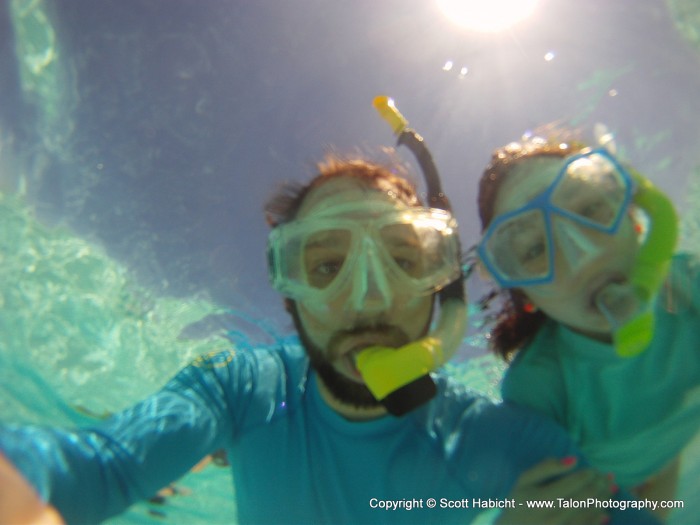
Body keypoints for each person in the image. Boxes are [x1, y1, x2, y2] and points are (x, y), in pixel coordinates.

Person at [0, 153, 656, 525]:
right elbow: (97, 463)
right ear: (289, 291)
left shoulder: (491, 435)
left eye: (404, 258)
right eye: (324, 266)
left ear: (440, 280)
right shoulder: (246, 388)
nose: (367, 298)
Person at [475, 128, 700, 521]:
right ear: (527, 297)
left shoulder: (689, 287)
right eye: (534, 249)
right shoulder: (538, 386)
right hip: (613, 487)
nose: (584, 256)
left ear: (634, 217)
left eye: (591, 210)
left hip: (666, 454)